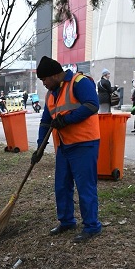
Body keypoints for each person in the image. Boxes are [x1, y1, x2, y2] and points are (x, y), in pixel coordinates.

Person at [32, 55, 102, 243]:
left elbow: (92, 105)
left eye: (44, 79)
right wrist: (39, 147)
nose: (44, 83)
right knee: (62, 186)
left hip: (84, 144)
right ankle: (67, 221)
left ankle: (92, 226)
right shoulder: (51, 94)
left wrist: (67, 119)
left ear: (54, 75)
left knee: (85, 186)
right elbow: (46, 121)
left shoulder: (80, 82)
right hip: (63, 146)